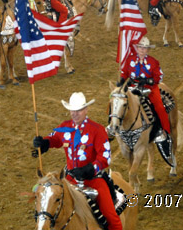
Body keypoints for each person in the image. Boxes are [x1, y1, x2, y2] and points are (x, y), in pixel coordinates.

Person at [32, 92, 122, 230]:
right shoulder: (64, 127)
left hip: (94, 180)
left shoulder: (97, 130)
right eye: (72, 110)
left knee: (111, 217)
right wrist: (43, 143)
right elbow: (54, 139)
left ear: (86, 110)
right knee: (47, 206)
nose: (75, 113)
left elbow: (105, 157)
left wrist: (89, 169)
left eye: (79, 110)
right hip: (69, 180)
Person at [117, 36, 173, 162]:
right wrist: (121, 80)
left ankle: (165, 132)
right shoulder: (129, 60)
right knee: (117, 102)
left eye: (145, 48)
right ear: (136, 48)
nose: (142, 50)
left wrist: (149, 80)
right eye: (140, 47)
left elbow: (159, 76)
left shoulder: (153, 62)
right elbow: (124, 73)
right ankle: (112, 126)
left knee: (159, 106)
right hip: (132, 90)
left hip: (149, 90)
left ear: (148, 50)